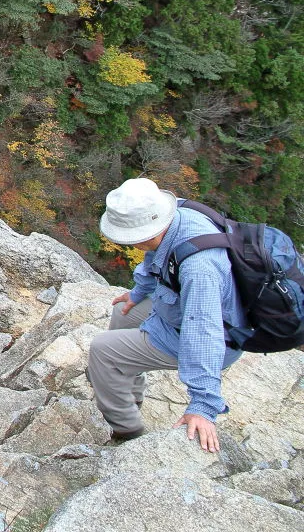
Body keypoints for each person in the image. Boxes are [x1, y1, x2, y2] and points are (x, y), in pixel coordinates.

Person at [88, 177, 245, 453]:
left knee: (102, 351)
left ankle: (128, 431)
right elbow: (157, 261)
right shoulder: (177, 218)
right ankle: (124, 388)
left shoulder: (200, 269)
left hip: (216, 336)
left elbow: (204, 332)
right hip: (180, 310)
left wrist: (203, 406)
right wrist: (138, 293)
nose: (131, 244)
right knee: (123, 312)